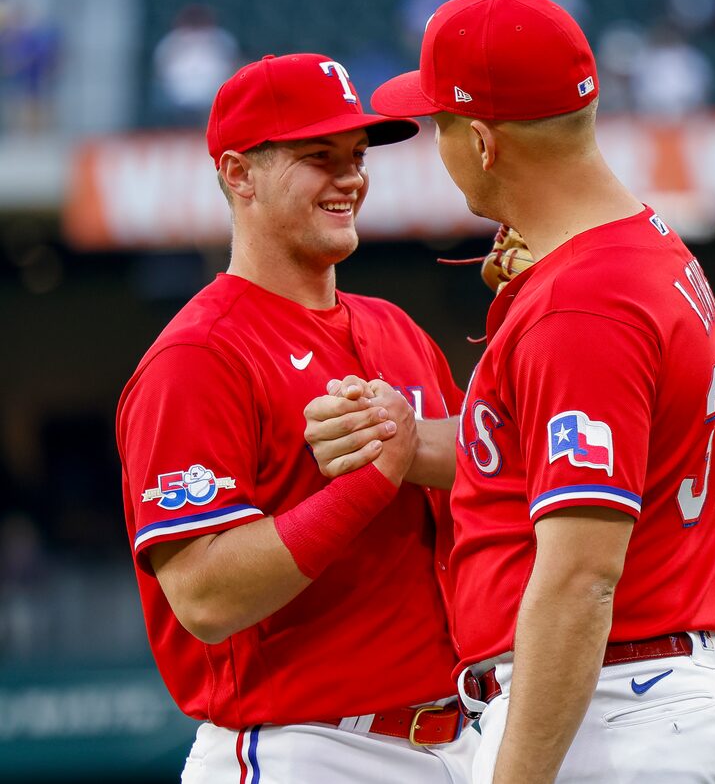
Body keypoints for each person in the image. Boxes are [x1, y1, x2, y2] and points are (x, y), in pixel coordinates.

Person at [309, 0, 715, 783]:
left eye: (442, 125)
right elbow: (529, 457)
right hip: (630, 697)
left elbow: (582, 577)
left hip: (611, 709)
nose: (436, 145)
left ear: (482, 141)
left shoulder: (583, 303)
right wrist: (407, 441)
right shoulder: (634, 252)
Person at [116, 52, 477, 784]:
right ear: (238, 173)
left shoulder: (399, 330)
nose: (351, 177)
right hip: (301, 747)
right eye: (319, 157)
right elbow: (205, 597)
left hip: (456, 738)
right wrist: (366, 484)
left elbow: (479, 495)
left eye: (356, 155)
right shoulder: (200, 354)